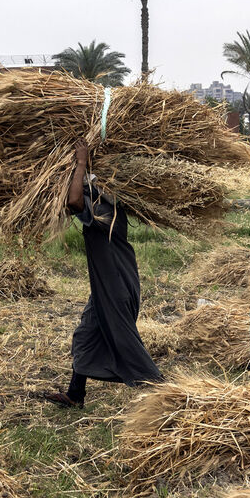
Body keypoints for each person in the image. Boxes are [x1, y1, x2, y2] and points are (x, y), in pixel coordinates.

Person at [37, 139, 163, 408]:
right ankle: (75, 395)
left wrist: (80, 162)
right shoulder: (108, 205)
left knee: (127, 347)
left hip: (115, 290)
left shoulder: (104, 210)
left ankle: (164, 391)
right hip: (108, 287)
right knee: (86, 335)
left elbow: (72, 201)